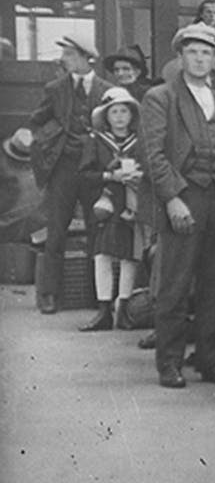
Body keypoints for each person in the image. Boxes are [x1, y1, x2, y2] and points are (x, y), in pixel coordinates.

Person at [138, 23, 215, 388]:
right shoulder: (160, 98)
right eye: (193, 52)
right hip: (185, 197)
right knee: (175, 283)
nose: (199, 59)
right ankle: (169, 362)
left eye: (206, 53)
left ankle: (208, 359)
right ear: (180, 57)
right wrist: (172, 199)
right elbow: (152, 154)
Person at [27, 35, 106, 315]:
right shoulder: (55, 89)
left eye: (70, 54)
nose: (64, 60)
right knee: (56, 229)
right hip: (64, 167)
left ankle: (97, 294)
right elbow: (37, 121)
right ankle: (49, 294)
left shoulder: (107, 90)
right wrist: (50, 140)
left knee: (97, 228)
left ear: (86, 57)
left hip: (94, 169)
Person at [76, 86, 148, 332]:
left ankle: (123, 308)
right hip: (105, 203)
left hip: (132, 203)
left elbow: (150, 168)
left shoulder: (140, 142)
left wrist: (138, 176)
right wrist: (110, 176)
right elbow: (84, 175)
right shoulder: (96, 141)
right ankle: (104, 310)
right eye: (114, 112)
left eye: (124, 111)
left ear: (132, 115)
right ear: (105, 116)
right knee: (102, 254)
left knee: (130, 255)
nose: (119, 117)